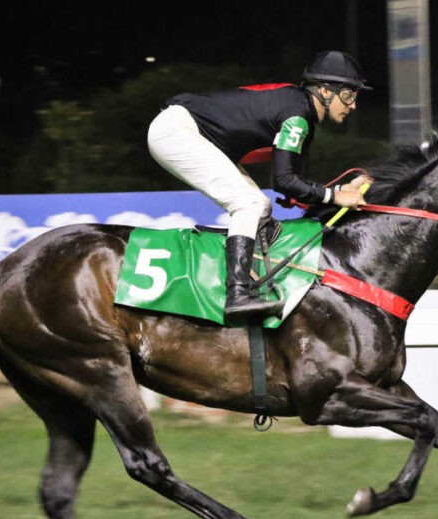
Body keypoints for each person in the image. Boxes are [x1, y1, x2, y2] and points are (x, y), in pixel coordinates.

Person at [147, 50, 373, 323]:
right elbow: (285, 181)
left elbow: (294, 190)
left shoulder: (301, 116)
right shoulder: (297, 116)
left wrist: (342, 191)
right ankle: (237, 294)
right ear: (325, 91)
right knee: (249, 203)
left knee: (261, 205)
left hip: (190, 131)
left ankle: (246, 280)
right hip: (176, 131)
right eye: (349, 95)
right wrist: (336, 196)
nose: (353, 105)